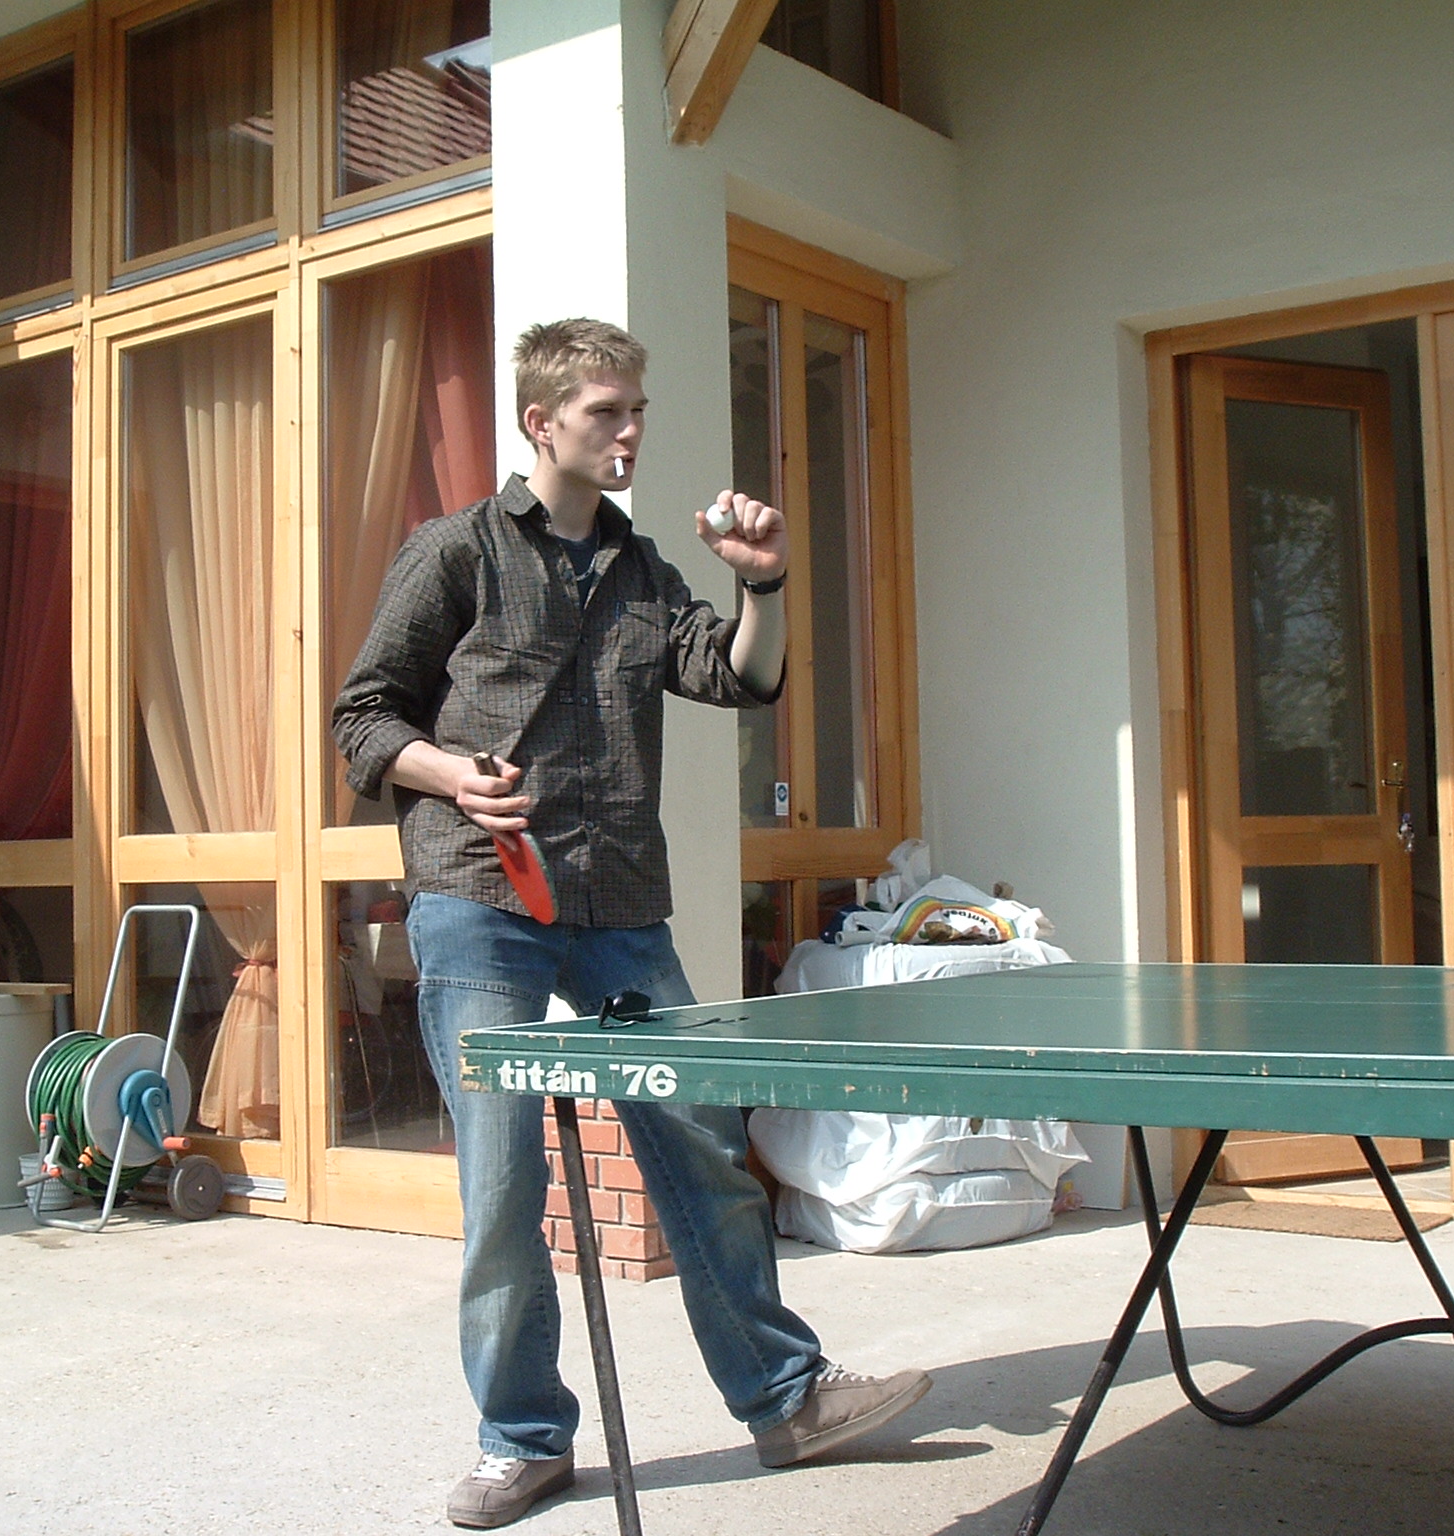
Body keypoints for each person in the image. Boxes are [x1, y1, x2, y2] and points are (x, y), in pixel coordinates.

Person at [332, 319, 930, 1529]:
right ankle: (521, 1440)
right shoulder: (452, 552)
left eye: (635, 409)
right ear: (540, 421)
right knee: (503, 1183)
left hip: (615, 904)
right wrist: (453, 776)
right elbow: (362, 718)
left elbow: (738, 677)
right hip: (478, 898)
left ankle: (784, 1398)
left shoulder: (643, 570)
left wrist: (761, 582)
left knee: (700, 1144)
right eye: (606, 410)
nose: (629, 430)